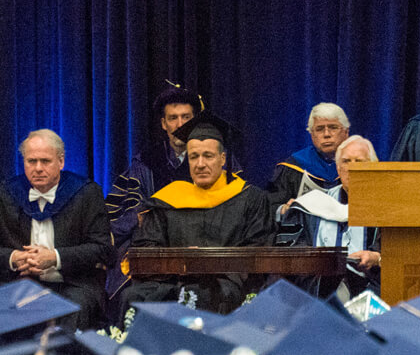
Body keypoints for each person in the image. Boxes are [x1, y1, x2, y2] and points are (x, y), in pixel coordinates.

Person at [124, 123, 276, 314]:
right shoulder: (169, 198)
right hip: (173, 279)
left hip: (226, 282)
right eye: (194, 157)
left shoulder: (250, 198)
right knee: (133, 296)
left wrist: (210, 265)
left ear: (223, 159)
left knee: (202, 292)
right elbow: (146, 246)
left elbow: (258, 249)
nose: (200, 164)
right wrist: (181, 261)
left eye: (208, 156)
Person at [0, 130, 115, 328]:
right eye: (31, 161)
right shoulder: (4, 194)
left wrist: (55, 257)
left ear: (61, 162)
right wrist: (13, 257)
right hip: (16, 282)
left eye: (45, 161)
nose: (38, 168)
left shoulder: (86, 193)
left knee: (73, 310)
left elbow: (103, 249)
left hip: (71, 284)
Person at [105, 86, 202, 303]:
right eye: (173, 118)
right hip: (153, 249)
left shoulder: (214, 159)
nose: (180, 124)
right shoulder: (145, 162)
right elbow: (126, 214)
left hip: (200, 245)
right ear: (163, 123)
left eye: (186, 117)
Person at [275, 134, 382, 298]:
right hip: (318, 294)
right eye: (346, 161)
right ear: (338, 169)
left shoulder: (387, 209)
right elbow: (291, 251)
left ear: (373, 167)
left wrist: (376, 258)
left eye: (359, 162)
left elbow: (402, 254)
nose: (352, 168)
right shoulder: (313, 204)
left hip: (371, 293)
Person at [266, 103, 349, 206]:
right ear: (312, 135)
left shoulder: (362, 163)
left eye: (333, 127)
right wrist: (283, 209)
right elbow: (272, 206)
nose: (326, 134)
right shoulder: (294, 166)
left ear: (346, 132)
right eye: (319, 129)